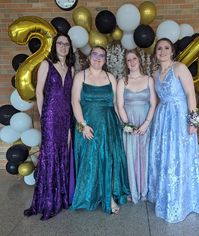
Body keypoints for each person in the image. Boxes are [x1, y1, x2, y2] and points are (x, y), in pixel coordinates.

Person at [148, 38, 199, 223]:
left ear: (172, 51)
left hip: (180, 117)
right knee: (165, 157)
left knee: (180, 157)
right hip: (163, 118)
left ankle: (182, 201)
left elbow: (191, 94)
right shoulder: (156, 74)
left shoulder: (180, 68)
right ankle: (165, 196)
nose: (163, 51)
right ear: (155, 53)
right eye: (159, 48)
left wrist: (193, 121)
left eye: (166, 48)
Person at [70, 46, 130, 215]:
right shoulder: (80, 76)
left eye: (101, 55)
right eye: (95, 54)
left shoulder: (110, 77)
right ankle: (92, 195)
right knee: (91, 160)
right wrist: (82, 125)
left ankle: (108, 195)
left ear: (105, 59)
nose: (98, 58)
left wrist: (124, 123)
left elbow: (117, 105)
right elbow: (75, 102)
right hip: (87, 125)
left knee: (108, 159)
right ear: (89, 57)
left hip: (109, 125)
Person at [24, 33, 75, 220]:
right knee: (50, 154)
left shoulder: (71, 68)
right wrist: (44, 116)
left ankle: (60, 198)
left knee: (63, 153)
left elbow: (72, 96)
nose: (63, 47)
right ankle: (47, 201)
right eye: (60, 43)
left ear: (70, 48)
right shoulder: (46, 64)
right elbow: (39, 92)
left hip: (66, 116)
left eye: (66, 44)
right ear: (54, 46)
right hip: (51, 116)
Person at [117, 49, 157, 204]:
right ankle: (133, 190)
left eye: (134, 58)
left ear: (139, 60)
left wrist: (146, 123)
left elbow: (153, 103)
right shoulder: (122, 81)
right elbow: (119, 105)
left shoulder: (148, 80)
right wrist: (128, 125)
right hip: (129, 123)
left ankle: (145, 190)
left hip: (146, 121)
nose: (132, 62)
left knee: (145, 155)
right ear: (125, 63)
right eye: (128, 60)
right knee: (131, 156)